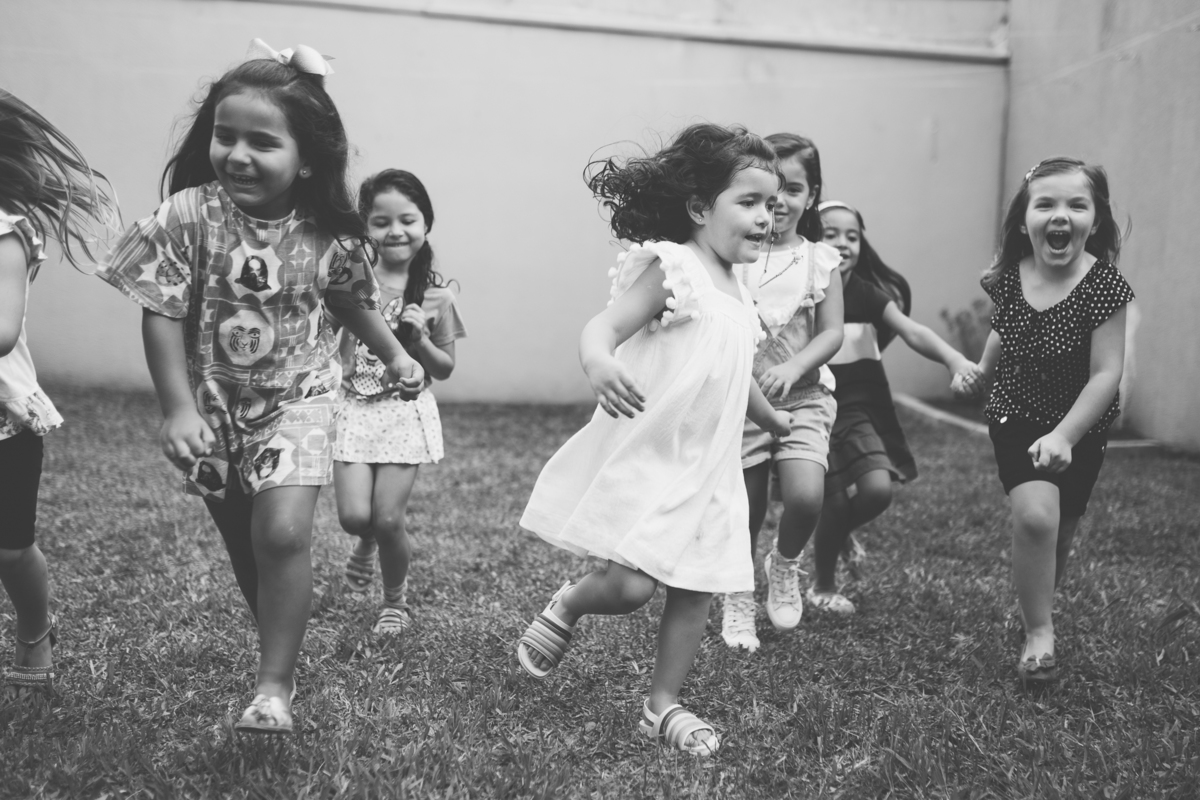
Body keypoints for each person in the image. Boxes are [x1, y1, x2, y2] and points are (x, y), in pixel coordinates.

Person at [98, 39, 423, 734]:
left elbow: (349, 303)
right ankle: (283, 649)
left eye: (262, 142)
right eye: (226, 136)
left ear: (306, 158)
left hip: (298, 400)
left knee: (281, 534)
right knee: (248, 547)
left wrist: (395, 354)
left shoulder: (330, 233)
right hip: (213, 410)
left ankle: (273, 688)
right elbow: (161, 309)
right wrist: (177, 409)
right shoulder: (188, 215)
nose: (238, 155)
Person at [515, 123, 791, 757]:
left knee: (697, 588)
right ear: (699, 208)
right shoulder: (678, 268)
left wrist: (770, 418)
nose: (765, 217)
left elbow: (735, 367)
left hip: (712, 467)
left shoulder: (740, 288)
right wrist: (598, 360)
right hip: (657, 454)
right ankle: (571, 602)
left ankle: (661, 704)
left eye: (772, 204)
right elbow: (604, 326)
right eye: (748, 202)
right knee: (632, 587)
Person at [956, 157, 1132, 684]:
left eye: (1077, 205)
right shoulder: (1011, 276)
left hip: (1081, 425)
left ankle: (1037, 607)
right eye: (1046, 204)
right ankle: (1039, 632)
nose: (1061, 215)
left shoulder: (1105, 287)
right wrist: (981, 370)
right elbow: (1005, 328)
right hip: (1016, 412)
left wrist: (1065, 435)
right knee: (1036, 517)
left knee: (1061, 530)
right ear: (1024, 220)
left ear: (1094, 222)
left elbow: (1107, 374)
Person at [0, 89, 117, 695]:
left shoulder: (5, 231)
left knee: (9, 550)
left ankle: (34, 629)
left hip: (4, 422)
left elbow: (2, 331)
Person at [812, 201, 979, 614]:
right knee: (833, 502)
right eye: (831, 234)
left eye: (852, 236)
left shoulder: (866, 294)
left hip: (858, 408)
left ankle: (836, 533)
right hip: (813, 410)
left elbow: (913, 331)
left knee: (877, 491)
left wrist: (954, 359)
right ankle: (823, 585)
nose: (843, 243)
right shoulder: (802, 289)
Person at [721, 133, 843, 653]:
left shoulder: (821, 259)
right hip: (744, 403)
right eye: (771, 192)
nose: (780, 203)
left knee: (806, 496)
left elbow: (831, 333)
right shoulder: (735, 256)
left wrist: (795, 367)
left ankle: (785, 563)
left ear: (811, 196)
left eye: (793, 190)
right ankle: (738, 594)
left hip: (804, 399)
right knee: (746, 510)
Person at [335, 169, 466, 635]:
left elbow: (444, 369)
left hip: (402, 415)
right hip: (353, 408)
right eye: (381, 221)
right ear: (365, 228)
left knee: (389, 519)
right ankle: (365, 541)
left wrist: (421, 339)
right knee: (355, 517)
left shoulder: (437, 298)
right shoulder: (350, 283)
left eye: (407, 220)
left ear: (425, 223)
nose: (395, 231)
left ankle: (395, 603)